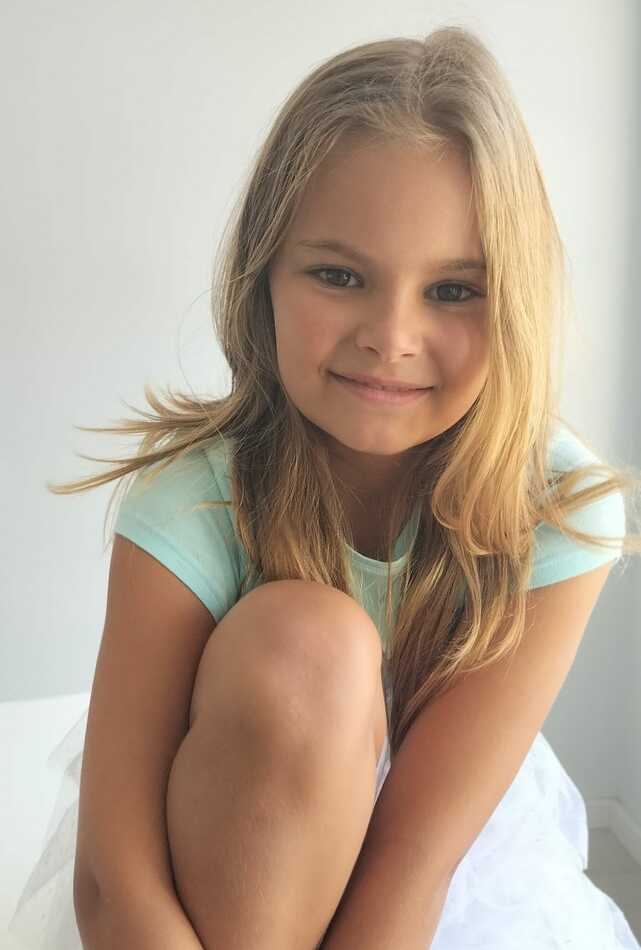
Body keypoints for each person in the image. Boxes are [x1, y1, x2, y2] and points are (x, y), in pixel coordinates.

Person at [8, 25, 641, 950]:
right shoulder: (192, 504)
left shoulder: (556, 511)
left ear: (515, 299)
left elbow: (412, 867)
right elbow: (116, 883)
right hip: (218, 873)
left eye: (453, 291)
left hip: (428, 881)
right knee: (306, 643)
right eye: (340, 276)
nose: (390, 337)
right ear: (260, 275)